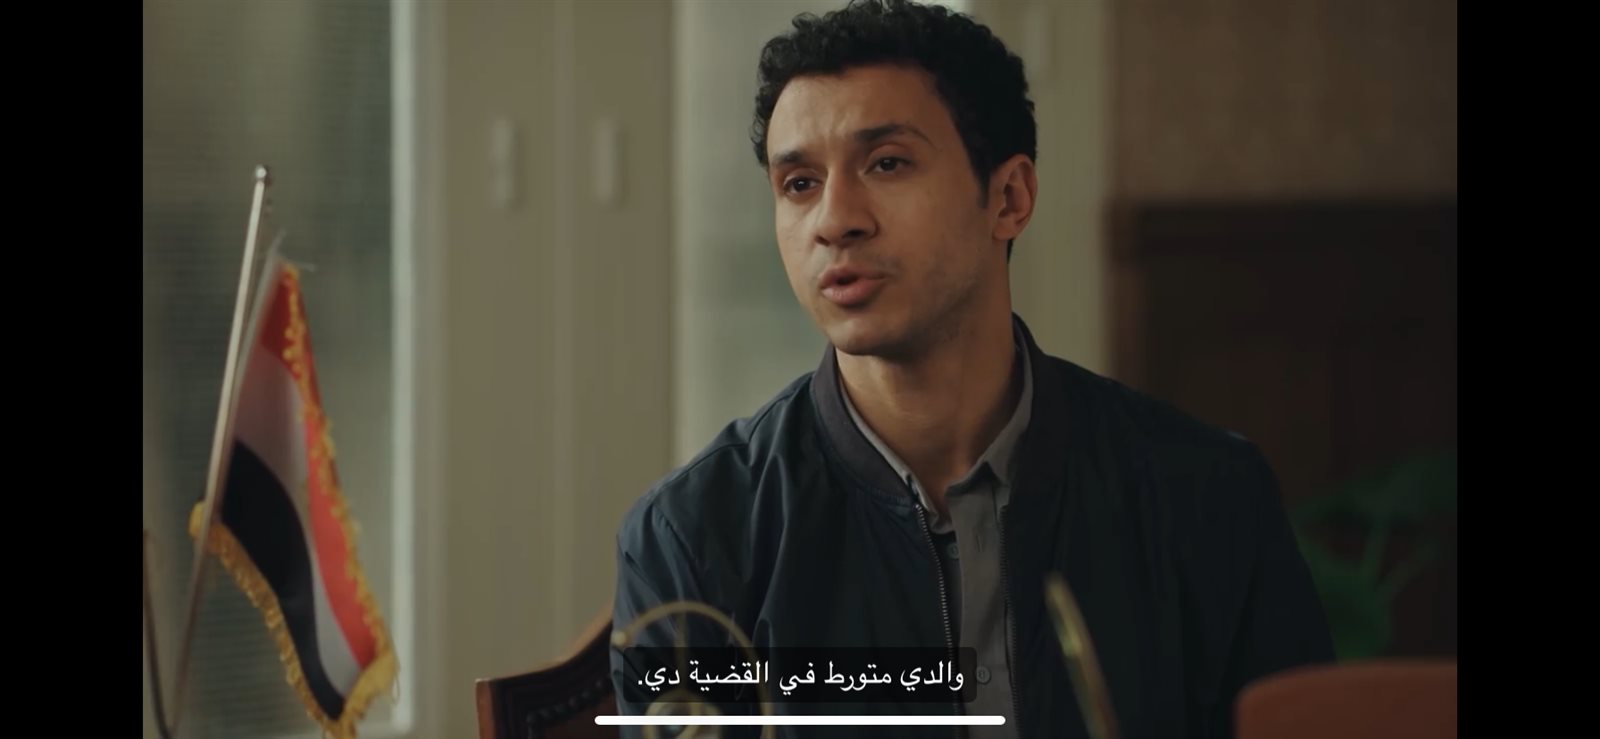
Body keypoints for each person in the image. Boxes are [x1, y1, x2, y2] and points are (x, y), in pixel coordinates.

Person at [610, 1, 1334, 737]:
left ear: (1009, 198)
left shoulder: (1206, 497)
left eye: (887, 163)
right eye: (799, 183)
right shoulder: (696, 537)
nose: (834, 219)